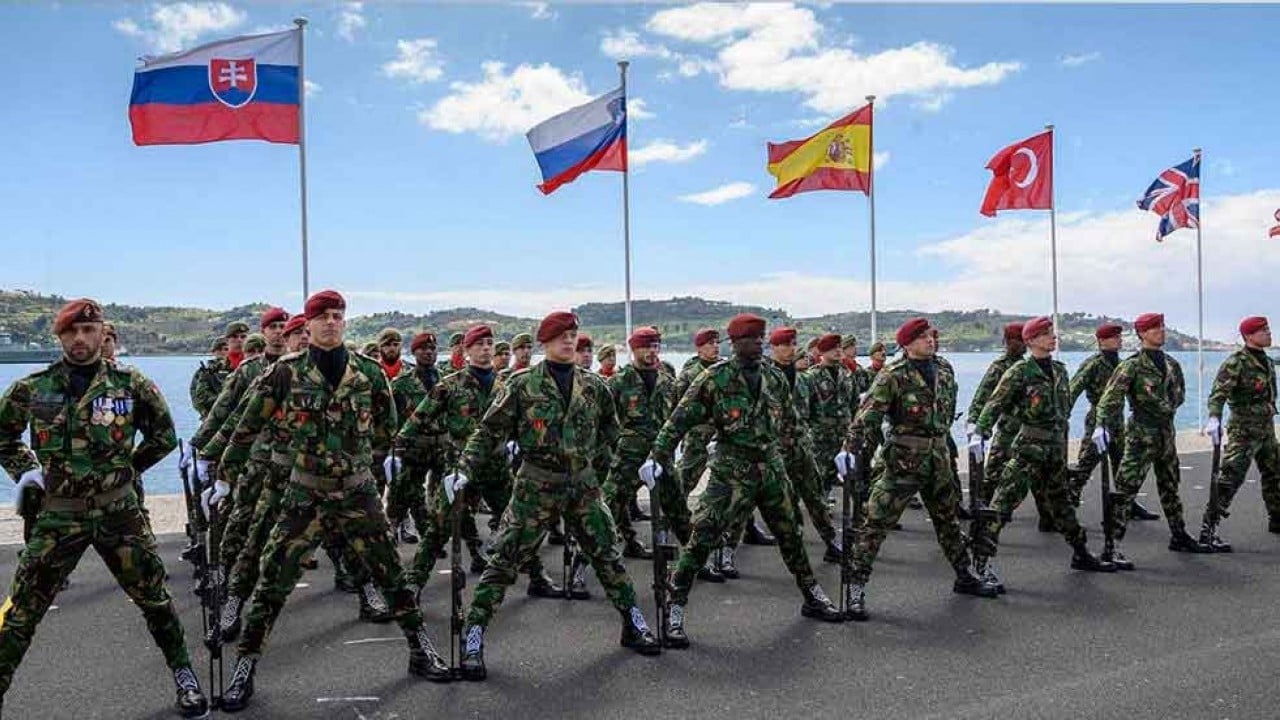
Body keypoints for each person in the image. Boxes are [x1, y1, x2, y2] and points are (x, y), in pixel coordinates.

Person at [208, 290, 451, 711]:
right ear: (309, 323)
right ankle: (245, 666)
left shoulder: (370, 372)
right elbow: (246, 429)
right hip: (306, 491)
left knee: (391, 572)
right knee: (272, 581)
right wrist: (225, 478)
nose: (332, 323)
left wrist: (370, 461)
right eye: (323, 317)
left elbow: (385, 426)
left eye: (338, 316)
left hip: (358, 490)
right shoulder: (284, 373)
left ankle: (420, 647)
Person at [0, 298, 208, 717]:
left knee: (155, 599)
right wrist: (26, 471)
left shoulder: (132, 384)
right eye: (71, 332)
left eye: (89, 330)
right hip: (59, 513)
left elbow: (164, 436)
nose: (80, 338)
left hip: (119, 512)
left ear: (102, 333)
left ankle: (185, 675)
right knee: (22, 610)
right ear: (58, 336)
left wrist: (127, 469)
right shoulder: (32, 388)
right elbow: (3, 435)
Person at [458, 311, 660, 679]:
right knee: (504, 560)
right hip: (536, 485)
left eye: (573, 335)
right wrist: (463, 468)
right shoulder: (521, 385)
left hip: (583, 485)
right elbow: (488, 433)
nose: (569, 341)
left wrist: (644, 462)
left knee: (608, 556)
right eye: (561, 336)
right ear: (545, 342)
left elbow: (612, 433)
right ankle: (473, 636)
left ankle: (633, 623)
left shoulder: (594, 386)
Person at [648, 313, 845, 647]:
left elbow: (792, 425)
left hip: (770, 468)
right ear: (735, 343)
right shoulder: (715, 379)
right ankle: (675, 604)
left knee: (790, 535)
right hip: (731, 468)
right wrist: (658, 457)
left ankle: (812, 594)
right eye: (751, 338)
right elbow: (678, 420)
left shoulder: (774, 377)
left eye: (761, 338)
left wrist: (808, 464)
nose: (758, 343)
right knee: (703, 537)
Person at [840, 317, 998, 621]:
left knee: (948, 520)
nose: (930, 340)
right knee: (876, 522)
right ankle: (855, 587)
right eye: (923, 337)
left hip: (938, 458)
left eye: (931, 336)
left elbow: (946, 412)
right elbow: (868, 416)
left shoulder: (944, 370)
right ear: (908, 343)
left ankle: (964, 575)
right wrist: (851, 450)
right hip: (903, 459)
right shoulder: (892, 375)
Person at [396, 324, 561, 597]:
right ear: (468, 350)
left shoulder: (505, 386)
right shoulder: (450, 385)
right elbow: (418, 419)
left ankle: (536, 575)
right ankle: (415, 581)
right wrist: (398, 451)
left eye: (489, 344)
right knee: (439, 525)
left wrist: (521, 442)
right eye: (479, 344)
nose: (485, 349)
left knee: (516, 522)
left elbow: (524, 422)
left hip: (496, 465)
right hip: (460, 466)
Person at [969, 316, 1116, 588]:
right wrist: (980, 432)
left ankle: (1081, 552)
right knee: (1003, 504)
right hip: (1028, 448)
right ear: (1032, 340)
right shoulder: (1019, 372)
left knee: (1062, 505)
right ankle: (980, 562)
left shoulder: (1059, 370)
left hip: (1053, 449)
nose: (1053, 337)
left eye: (1052, 333)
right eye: (1047, 334)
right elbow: (995, 403)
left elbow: (1064, 406)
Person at [1095, 313, 1209, 565]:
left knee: (1170, 485)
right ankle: (1111, 545)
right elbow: (1110, 398)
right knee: (1126, 489)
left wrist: (1165, 407)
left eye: (1161, 327)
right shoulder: (1131, 365)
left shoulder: (1171, 364)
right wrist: (1101, 425)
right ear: (1142, 334)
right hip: (1140, 435)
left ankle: (1178, 535)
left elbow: (1179, 395)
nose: (1161, 331)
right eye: (1154, 328)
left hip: (1166, 433)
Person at [1199, 316, 1280, 548]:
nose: (1268, 333)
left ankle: (1277, 518)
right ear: (1249, 336)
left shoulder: (1266, 361)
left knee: (1274, 474)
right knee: (1230, 478)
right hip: (1243, 430)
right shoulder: (1236, 362)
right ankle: (1209, 528)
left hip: (1265, 428)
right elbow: (1218, 394)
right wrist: (1214, 417)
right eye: (1263, 330)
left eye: (1268, 329)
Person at [1067, 323, 1159, 520]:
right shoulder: (1093, 364)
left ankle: (1128, 504)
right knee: (1085, 464)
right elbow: (1073, 389)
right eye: (1114, 337)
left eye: (1119, 336)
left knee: (1123, 466)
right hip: (1097, 421)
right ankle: (1067, 505)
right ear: (1101, 341)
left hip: (1117, 420)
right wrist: (1062, 413)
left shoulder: (1122, 363)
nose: (1119, 339)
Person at [603, 327, 677, 560]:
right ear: (634, 350)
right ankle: (583, 564)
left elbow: (676, 416)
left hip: (660, 456)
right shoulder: (619, 382)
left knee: (677, 508)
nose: (652, 351)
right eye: (646, 346)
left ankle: (688, 560)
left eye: (655, 346)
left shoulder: (667, 381)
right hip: (627, 457)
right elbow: (605, 419)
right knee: (609, 507)